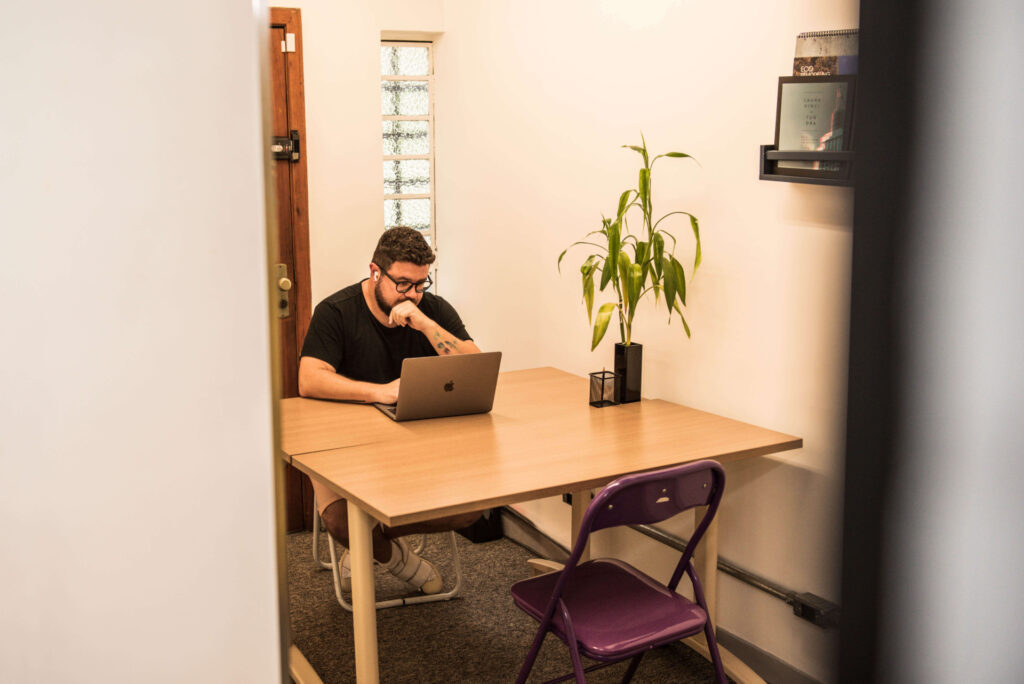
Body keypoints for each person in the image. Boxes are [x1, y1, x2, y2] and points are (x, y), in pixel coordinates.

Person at [298, 226, 483, 594]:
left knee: (470, 509)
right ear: (375, 272)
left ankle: (369, 544)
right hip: (344, 442)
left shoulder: (430, 308)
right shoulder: (337, 311)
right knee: (340, 521)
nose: (412, 294)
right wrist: (380, 392)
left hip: (414, 439)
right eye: (402, 284)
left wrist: (426, 324)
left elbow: (475, 366)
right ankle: (399, 560)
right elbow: (310, 379)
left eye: (420, 283)